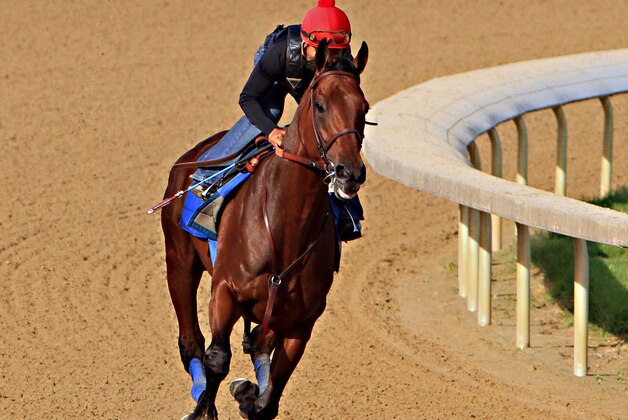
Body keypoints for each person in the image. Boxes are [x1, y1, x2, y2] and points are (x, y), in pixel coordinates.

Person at [193, 0, 363, 241]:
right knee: (271, 111)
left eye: (337, 52)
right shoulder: (278, 55)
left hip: (309, 82)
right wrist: (271, 132)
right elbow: (248, 98)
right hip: (280, 72)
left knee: (329, 126)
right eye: (325, 52)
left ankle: (348, 212)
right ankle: (209, 174)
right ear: (305, 44)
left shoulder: (339, 59)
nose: (332, 59)